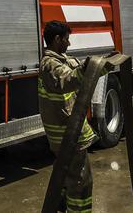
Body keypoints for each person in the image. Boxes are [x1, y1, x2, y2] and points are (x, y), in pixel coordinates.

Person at [39, 20, 102, 213]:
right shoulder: (50, 64)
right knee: (80, 182)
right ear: (57, 39)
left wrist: (102, 65)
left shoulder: (61, 59)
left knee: (64, 179)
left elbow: (80, 69)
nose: (69, 43)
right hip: (68, 136)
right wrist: (89, 69)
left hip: (69, 133)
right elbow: (69, 79)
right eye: (67, 39)